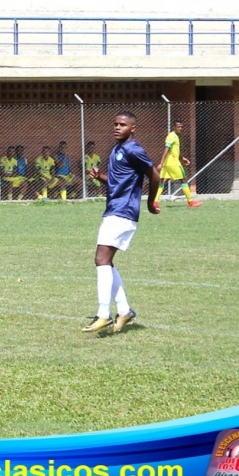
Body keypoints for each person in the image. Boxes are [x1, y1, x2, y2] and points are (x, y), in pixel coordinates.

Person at [82, 111, 160, 335]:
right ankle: (124, 311)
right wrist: (100, 177)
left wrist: (151, 202)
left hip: (123, 212)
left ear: (132, 128)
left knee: (101, 259)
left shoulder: (133, 149)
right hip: (114, 210)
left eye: (122, 125)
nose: (117, 127)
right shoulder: (117, 149)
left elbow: (154, 175)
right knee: (106, 261)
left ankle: (103, 314)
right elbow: (119, 181)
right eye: (115, 124)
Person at [154, 120, 202, 208]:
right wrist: (161, 163)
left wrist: (182, 158)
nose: (180, 128)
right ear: (174, 127)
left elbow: (174, 150)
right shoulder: (171, 136)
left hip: (168, 163)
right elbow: (166, 149)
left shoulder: (176, 136)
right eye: (178, 126)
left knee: (162, 181)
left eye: (181, 127)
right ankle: (191, 202)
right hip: (172, 163)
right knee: (183, 180)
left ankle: (155, 202)